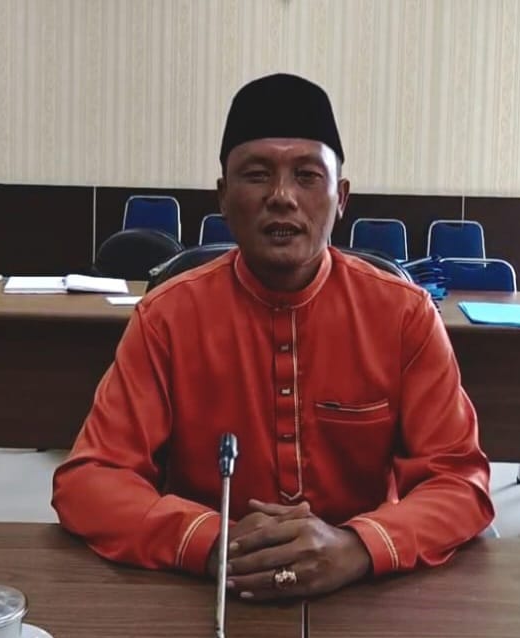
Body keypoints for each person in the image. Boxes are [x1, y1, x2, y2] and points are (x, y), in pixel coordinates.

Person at [52, 73, 494, 601]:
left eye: (307, 176)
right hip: (205, 591)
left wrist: (358, 545)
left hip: (361, 595)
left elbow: (459, 482)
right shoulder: (166, 317)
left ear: (341, 198)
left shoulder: (404, 315)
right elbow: (90, 479)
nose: (282, 197)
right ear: (223, 197)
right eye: (257, 175)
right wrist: (211, 540)